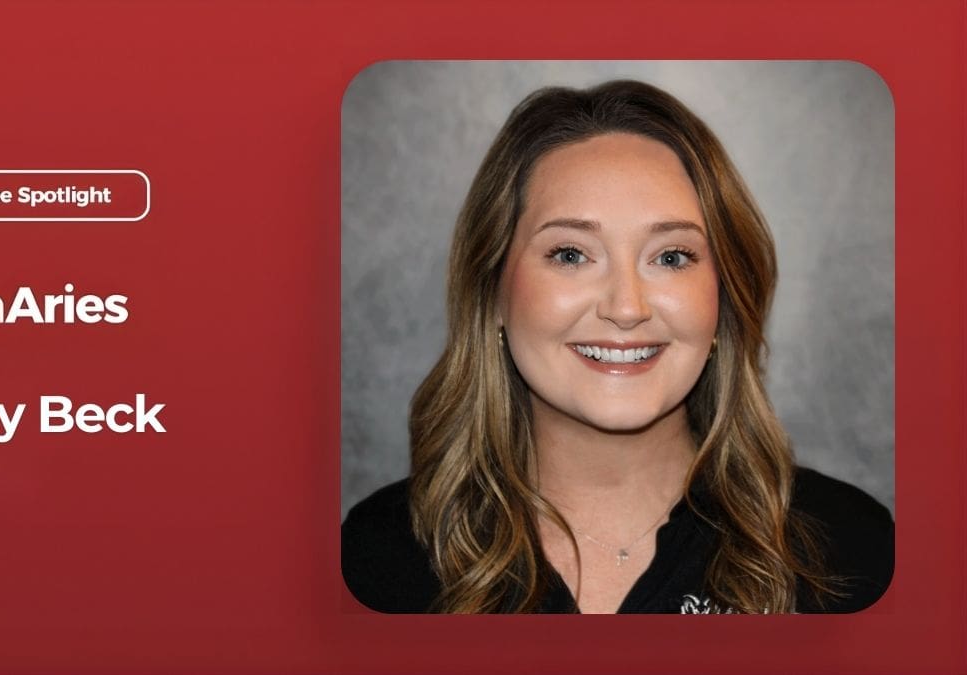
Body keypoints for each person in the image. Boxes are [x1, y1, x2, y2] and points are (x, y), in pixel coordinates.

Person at [341, 80, 893, 614]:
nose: (626, 308)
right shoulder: (371, 562)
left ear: (724, 302)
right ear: (493, 293)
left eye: (671, 257)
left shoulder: (855, 552)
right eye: (571, 254)